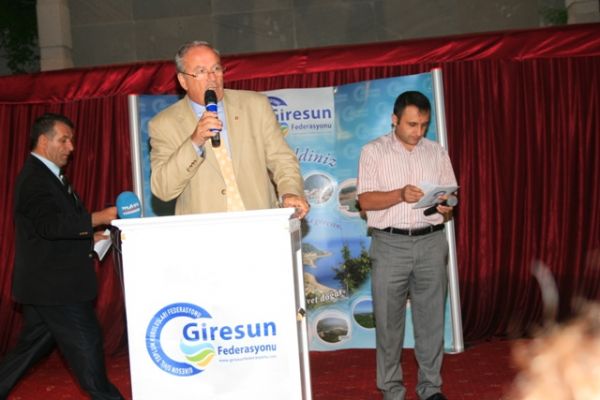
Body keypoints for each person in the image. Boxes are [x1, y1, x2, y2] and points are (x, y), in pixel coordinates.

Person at [0, 113, 124, 400]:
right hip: (58, 291)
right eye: (64, 140)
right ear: (44, 141)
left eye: (72, 140)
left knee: (26, 351)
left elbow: (50, 231)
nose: (71, 147)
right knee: (90, 361)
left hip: (46, 287)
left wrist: (89, 238)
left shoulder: (48, 176)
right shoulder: (35, 179)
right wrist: (97, 218)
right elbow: (50, 226)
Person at [357, 91, 457, 400]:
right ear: (394, 120)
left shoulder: (436, 152)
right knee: (389, 324)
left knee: (431, 322)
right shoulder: (373, 151)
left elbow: (451, 195)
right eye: (412, 124)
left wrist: (447, 205)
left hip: (431, 242)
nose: (418, 131)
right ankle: (392, 390)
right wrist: (399, 194)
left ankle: (431, 388)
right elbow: (364, 201)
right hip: (390, 244)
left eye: (424, 125)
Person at [149, 40, 309, 218]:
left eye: (216, 69)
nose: (212, 77)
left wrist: (290, 192)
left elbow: (282, 159)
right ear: (183, 81)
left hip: (260, 223)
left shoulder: (255, 105)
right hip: (205, 230)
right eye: (201, 71)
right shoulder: (164, 124)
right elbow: (163, 189)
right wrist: (195, 142)